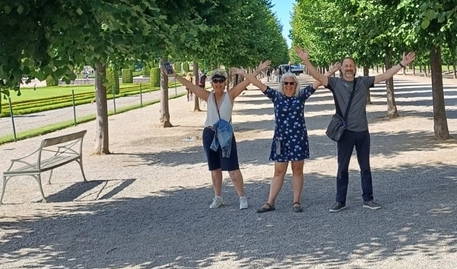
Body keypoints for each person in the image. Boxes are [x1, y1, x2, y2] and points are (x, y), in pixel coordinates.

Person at [295, 47, 415, 211]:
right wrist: (305, 60)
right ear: (342, 69)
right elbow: (317, 76)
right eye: (346, 66)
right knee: (342, 167)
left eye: (351, 65)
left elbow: (385, 75)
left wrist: (402, 64)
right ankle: (340, 201)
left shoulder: (363, 82)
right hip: (345, 133)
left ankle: (368, 199)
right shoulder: (335, 83)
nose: (349, 68)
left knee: (365, 166)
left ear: (355, 68)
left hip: (362, 132)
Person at [167, 61, 269, 210]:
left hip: (225, 134)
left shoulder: (231, 95)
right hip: (210, 133)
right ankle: (218, 196)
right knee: (214, 168)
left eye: (221, 81)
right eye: (215, 81)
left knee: (232, 167)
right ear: (211, 83)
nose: (218, 84)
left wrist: (258, 70)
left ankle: (242, 197)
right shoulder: (208, 96)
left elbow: (248, 81)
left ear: (224, 83)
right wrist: (174, 75)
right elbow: (191, 87)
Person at [232, 67, 322, 212]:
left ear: (296, 85)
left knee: (297, 170)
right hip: (281, 140)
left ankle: (296, 201)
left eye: (291, 83)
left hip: (298, 139)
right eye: (285, 83)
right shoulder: (276, 96)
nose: (288, 86)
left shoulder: (301, 96)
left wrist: (332, 70)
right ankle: (270, 202)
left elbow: (319, 81)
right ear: (282, 85)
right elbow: (257, 83)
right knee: (279, 171)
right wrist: (244, 74)